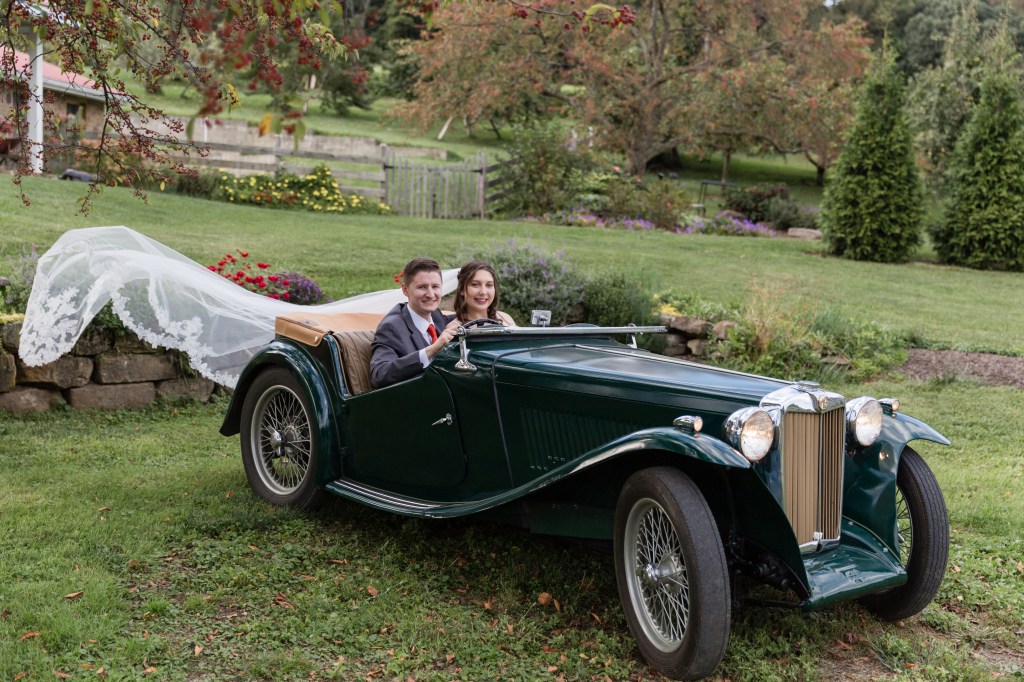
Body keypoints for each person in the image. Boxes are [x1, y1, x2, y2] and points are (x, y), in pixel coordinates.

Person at [370, 257, 457, 389]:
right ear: (405, 289)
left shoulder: (436, 315)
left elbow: (462, 319)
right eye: (422, 287)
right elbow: (379, 374)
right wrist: (431, 350)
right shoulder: (392, 327)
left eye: (435, 287)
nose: (430, 294)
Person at [451, 260, 516, 326]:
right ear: (462, 289)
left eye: (489, 285)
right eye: (475, 284)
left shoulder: (506, 319)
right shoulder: (454, 328)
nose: (483, 292)